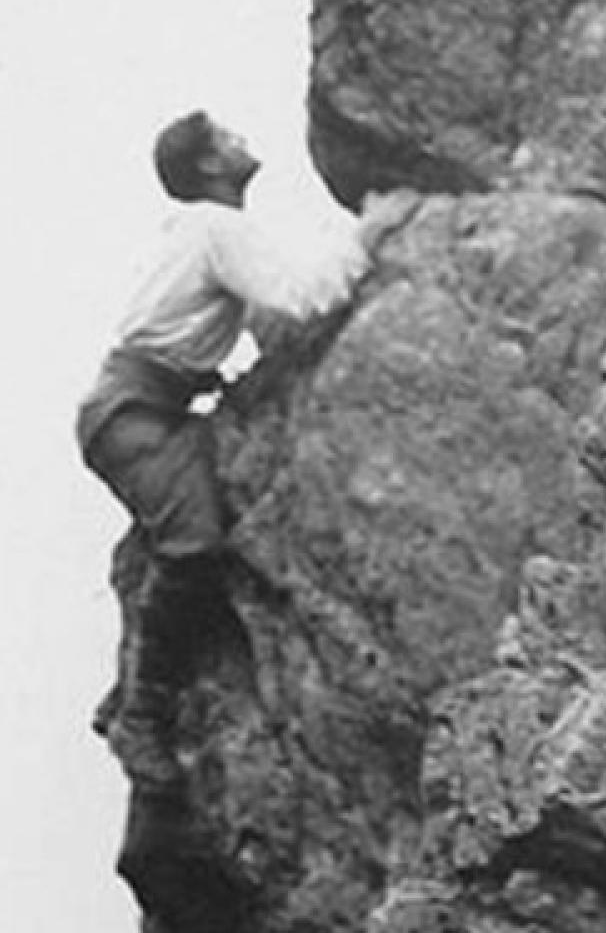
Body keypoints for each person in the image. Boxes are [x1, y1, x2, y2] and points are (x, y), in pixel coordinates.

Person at [76, 109, 412, 793]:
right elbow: (303, 296)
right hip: (135, 412)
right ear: (208, 167)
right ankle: (142, 714)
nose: (241, 141)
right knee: (194, 542)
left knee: (190, 515)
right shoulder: (216, 228)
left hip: (145, 408)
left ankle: (130, 686)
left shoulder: (201, 232)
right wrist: (372, 232)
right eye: (226, 139)